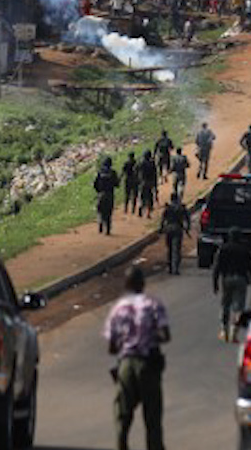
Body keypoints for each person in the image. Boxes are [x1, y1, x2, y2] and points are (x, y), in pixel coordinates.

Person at [103, 266, 171, 450]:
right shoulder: (153, 304)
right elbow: (166, 335)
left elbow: (112, 347)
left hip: (126, 365)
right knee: (153, 417)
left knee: (122, 414)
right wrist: (149, 337)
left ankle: (121, 444)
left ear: (126, 284)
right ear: (143, 283)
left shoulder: (118, 308)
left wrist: (127, 341)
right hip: (148, 364)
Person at [212, 230, 251, 342]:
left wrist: (215, 283)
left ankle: (224, 331)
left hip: (226, 279)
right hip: (241, 279)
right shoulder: (245, 250)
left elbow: (216, 267)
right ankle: (234, 332)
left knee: (225, 305)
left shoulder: (223, 249)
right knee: (239, 308)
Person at [159, 196, 191, 274]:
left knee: (169, 249)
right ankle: (175, 268)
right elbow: (187, 219)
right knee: (176, 249)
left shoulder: (168, 208)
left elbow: (163, 219)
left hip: (169, 229)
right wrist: (187, 229)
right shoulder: (181, 208)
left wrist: (161, 228)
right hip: (178, 229)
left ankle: (170, 267)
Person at [94, 162, 120, 235]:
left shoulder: (100, 172)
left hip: (101, 194)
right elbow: (117, 184)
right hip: (109, 194)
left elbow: (95, 184)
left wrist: (99, 191)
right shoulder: (113, 173)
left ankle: (100, 223)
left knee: (100, 210)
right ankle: (107, 229)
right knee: (109, 212)